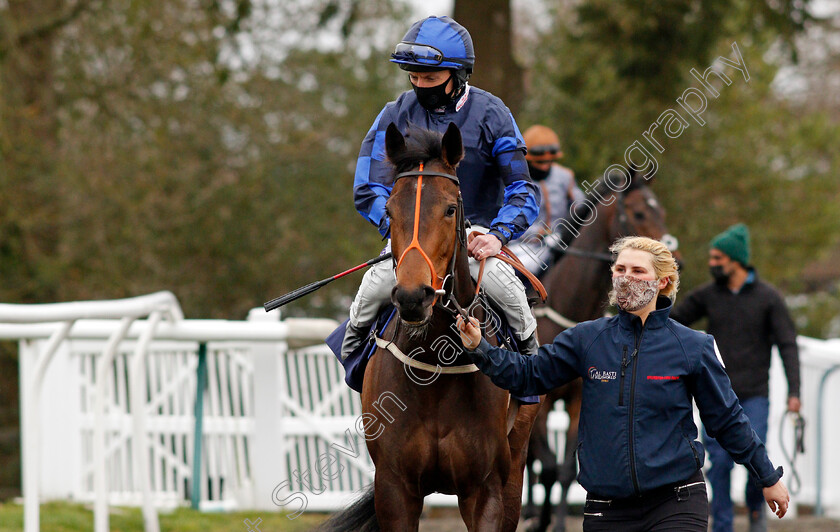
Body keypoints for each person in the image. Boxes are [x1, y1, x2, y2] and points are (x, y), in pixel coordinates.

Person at [456, 236, 790, 532]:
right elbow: (527, 375)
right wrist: (480, 348)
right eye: (619, 269)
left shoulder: (693, 346)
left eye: (638, 271)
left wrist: (768, 477)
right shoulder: (586, 339)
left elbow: (728, 420)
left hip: (677, 503)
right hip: (606, 509)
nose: (625, 277)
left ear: (663, 282)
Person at [342, 15, 541, 361]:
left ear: (458, 74)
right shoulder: (392, 114)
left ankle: (531, 370)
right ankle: (355, 357)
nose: (420, 85)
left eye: (430, 77)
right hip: (409, 238)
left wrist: (498, 235)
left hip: (475, 238)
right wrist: (398, 229)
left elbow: (523, 189)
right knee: (368, 295)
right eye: (414, 77)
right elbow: (367, 187)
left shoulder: (493, 114)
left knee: (512, 298)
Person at [670, 223, 801, 532]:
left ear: (736, 260)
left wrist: (794, 391)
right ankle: (723, 526)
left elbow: (788, 344)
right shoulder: (707, 295)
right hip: (716, 396)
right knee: (719, 465)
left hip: (755, 395)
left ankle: (757, 517)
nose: (712, 264)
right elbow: (672, 319)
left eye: (717, 258)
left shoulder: (769, 298)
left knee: (757, 460)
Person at [506, 124, 585, 275]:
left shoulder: (565, 177)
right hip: (521, 245)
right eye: (540, 162)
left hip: (558, 241)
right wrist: (538, 233)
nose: (544, 167)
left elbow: (580, 208)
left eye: (549, 162)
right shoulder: (512, 180)